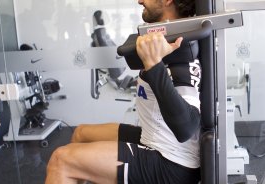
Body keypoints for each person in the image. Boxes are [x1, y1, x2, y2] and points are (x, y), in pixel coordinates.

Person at [46, 0, 201, 183]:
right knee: (81, 133)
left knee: (61, 160)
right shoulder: (167, 41)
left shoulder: (183, 54)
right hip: (154, 137)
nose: (140, 1)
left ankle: (70, 171)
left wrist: (154, 65)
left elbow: (187, 128)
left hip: (172, 163)